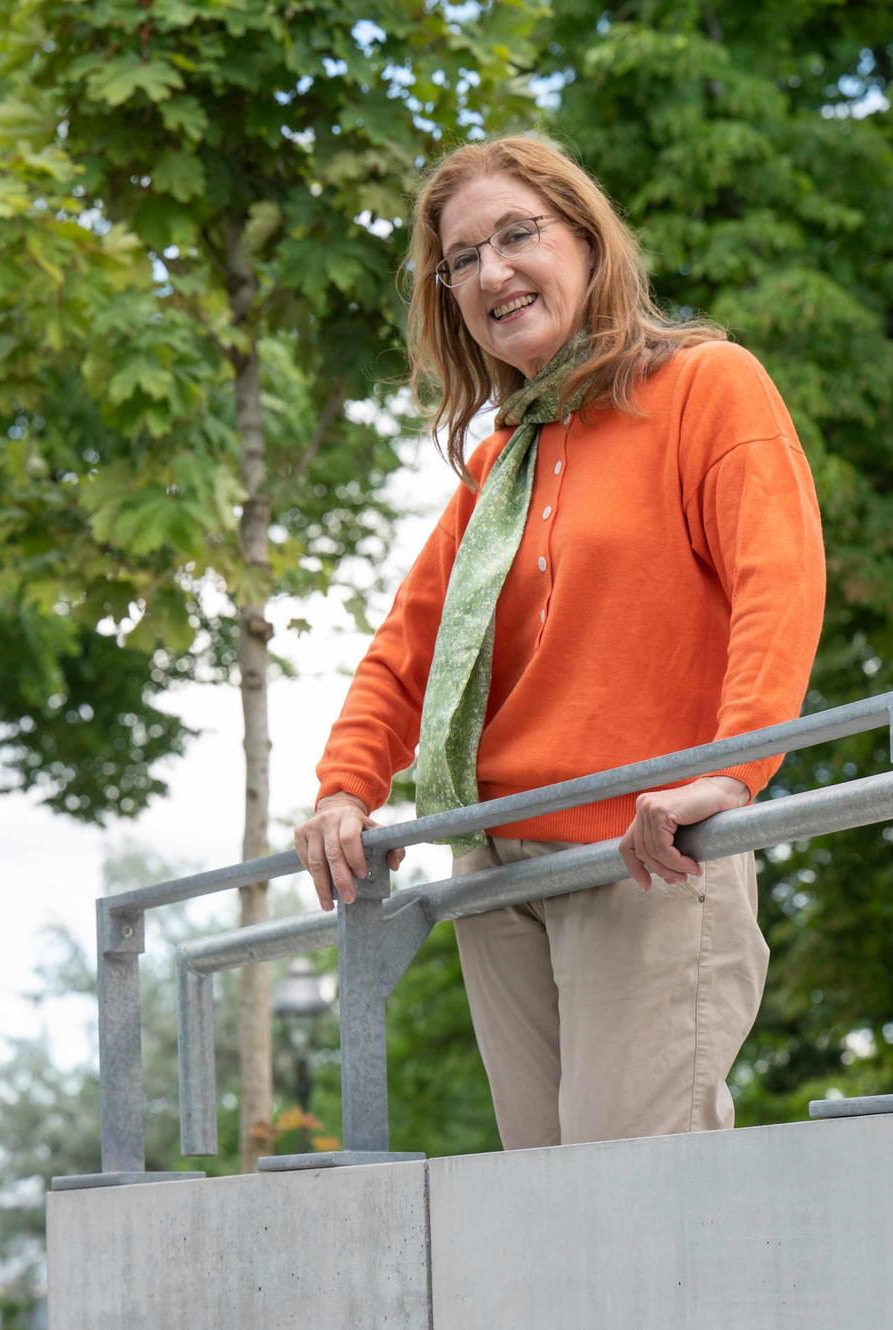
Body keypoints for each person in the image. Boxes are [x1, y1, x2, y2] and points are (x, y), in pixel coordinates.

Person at [294, 134, 825, 1151]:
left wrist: (732, 770)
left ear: (583, 238)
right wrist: (341, 787)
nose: (488, 273)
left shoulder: (706, 388)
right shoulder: (501, 461)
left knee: (632, 1206)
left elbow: (777, 582)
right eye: (457, 260)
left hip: (646, 857)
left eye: (514, 234)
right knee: (546, 1222)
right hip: (499, 874)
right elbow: (408, 651)